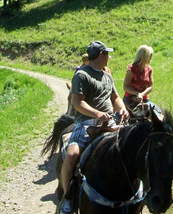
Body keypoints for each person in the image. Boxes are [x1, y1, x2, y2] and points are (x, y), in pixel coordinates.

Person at [58, 40, 130, 214]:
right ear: (100, 55)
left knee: (130, 148)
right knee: (71, 155)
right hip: (85, 124)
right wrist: (97, 114)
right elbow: (77, 103)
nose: (109, 57)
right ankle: (67, 198)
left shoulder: (107, 76)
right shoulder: (82, 75)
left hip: (110, 122)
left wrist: (123, 109)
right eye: (107, 54)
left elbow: (115, 97)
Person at [123, 45, 155, 110]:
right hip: (130, 99)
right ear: (144, 56)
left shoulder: (149, 69)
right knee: (121, 116)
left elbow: (150, 86)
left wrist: (142, 94)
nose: (151, 58)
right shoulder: (132, 69)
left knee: (157, 114)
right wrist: (137, 93)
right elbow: (125, 87)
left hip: (144, 99)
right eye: (150, 56)